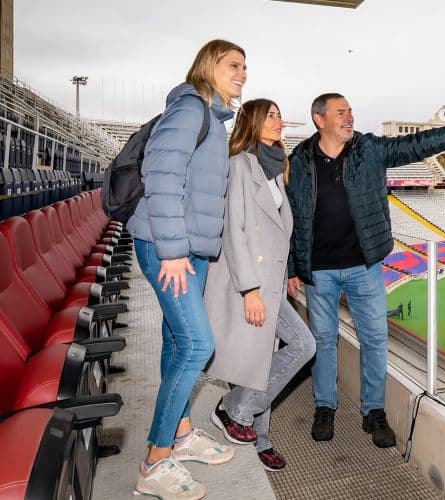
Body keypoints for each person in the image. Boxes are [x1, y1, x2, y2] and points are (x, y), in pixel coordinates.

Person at [285, 92, 445, 448]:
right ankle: (325, 406)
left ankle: (374, 411)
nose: (350, 117)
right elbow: (292, 218)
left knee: (375, 340)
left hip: (363, 267)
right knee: (323, 342)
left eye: (351, 110)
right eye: (341, 112)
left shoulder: (369, 149)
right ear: (319, 119)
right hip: (319, 271)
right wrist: (294, 266)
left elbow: (416, 144)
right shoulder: (299, 160)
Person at [127, 39, 246, 500]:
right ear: (208, 65)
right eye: (234, 65)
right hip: (167, 247)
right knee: (198, 344)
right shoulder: (190, 110)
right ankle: (155, 461)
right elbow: (161, 177)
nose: (242, 73)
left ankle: (179, 433)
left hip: (185, 248)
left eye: (245, 67)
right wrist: (174, 251)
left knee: (177, 339)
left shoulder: (209, 118)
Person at [204, 99, 315, 472]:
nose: (279, 121)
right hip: (249, 283)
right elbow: (234, 229)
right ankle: (244, 419)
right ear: (252, 121)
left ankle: (237, 411)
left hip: (272, 282)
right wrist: (250, 289)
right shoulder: (240, 165)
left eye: (280, 114)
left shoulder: (275, 170)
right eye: (271, 115)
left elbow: (280, 232)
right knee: (280, 353)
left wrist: (283, 276)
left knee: (291, 350)